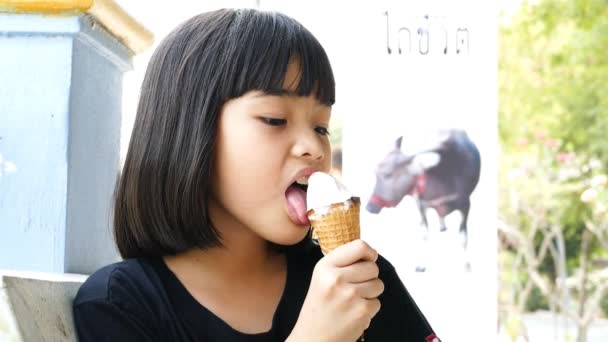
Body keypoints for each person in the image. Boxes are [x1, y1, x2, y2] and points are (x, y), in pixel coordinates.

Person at [73, 8, 439, 342]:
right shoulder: (120, 305)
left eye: (322, 127)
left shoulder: (357, 280)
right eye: (275, 119)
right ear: (189, 131)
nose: (313, 146)